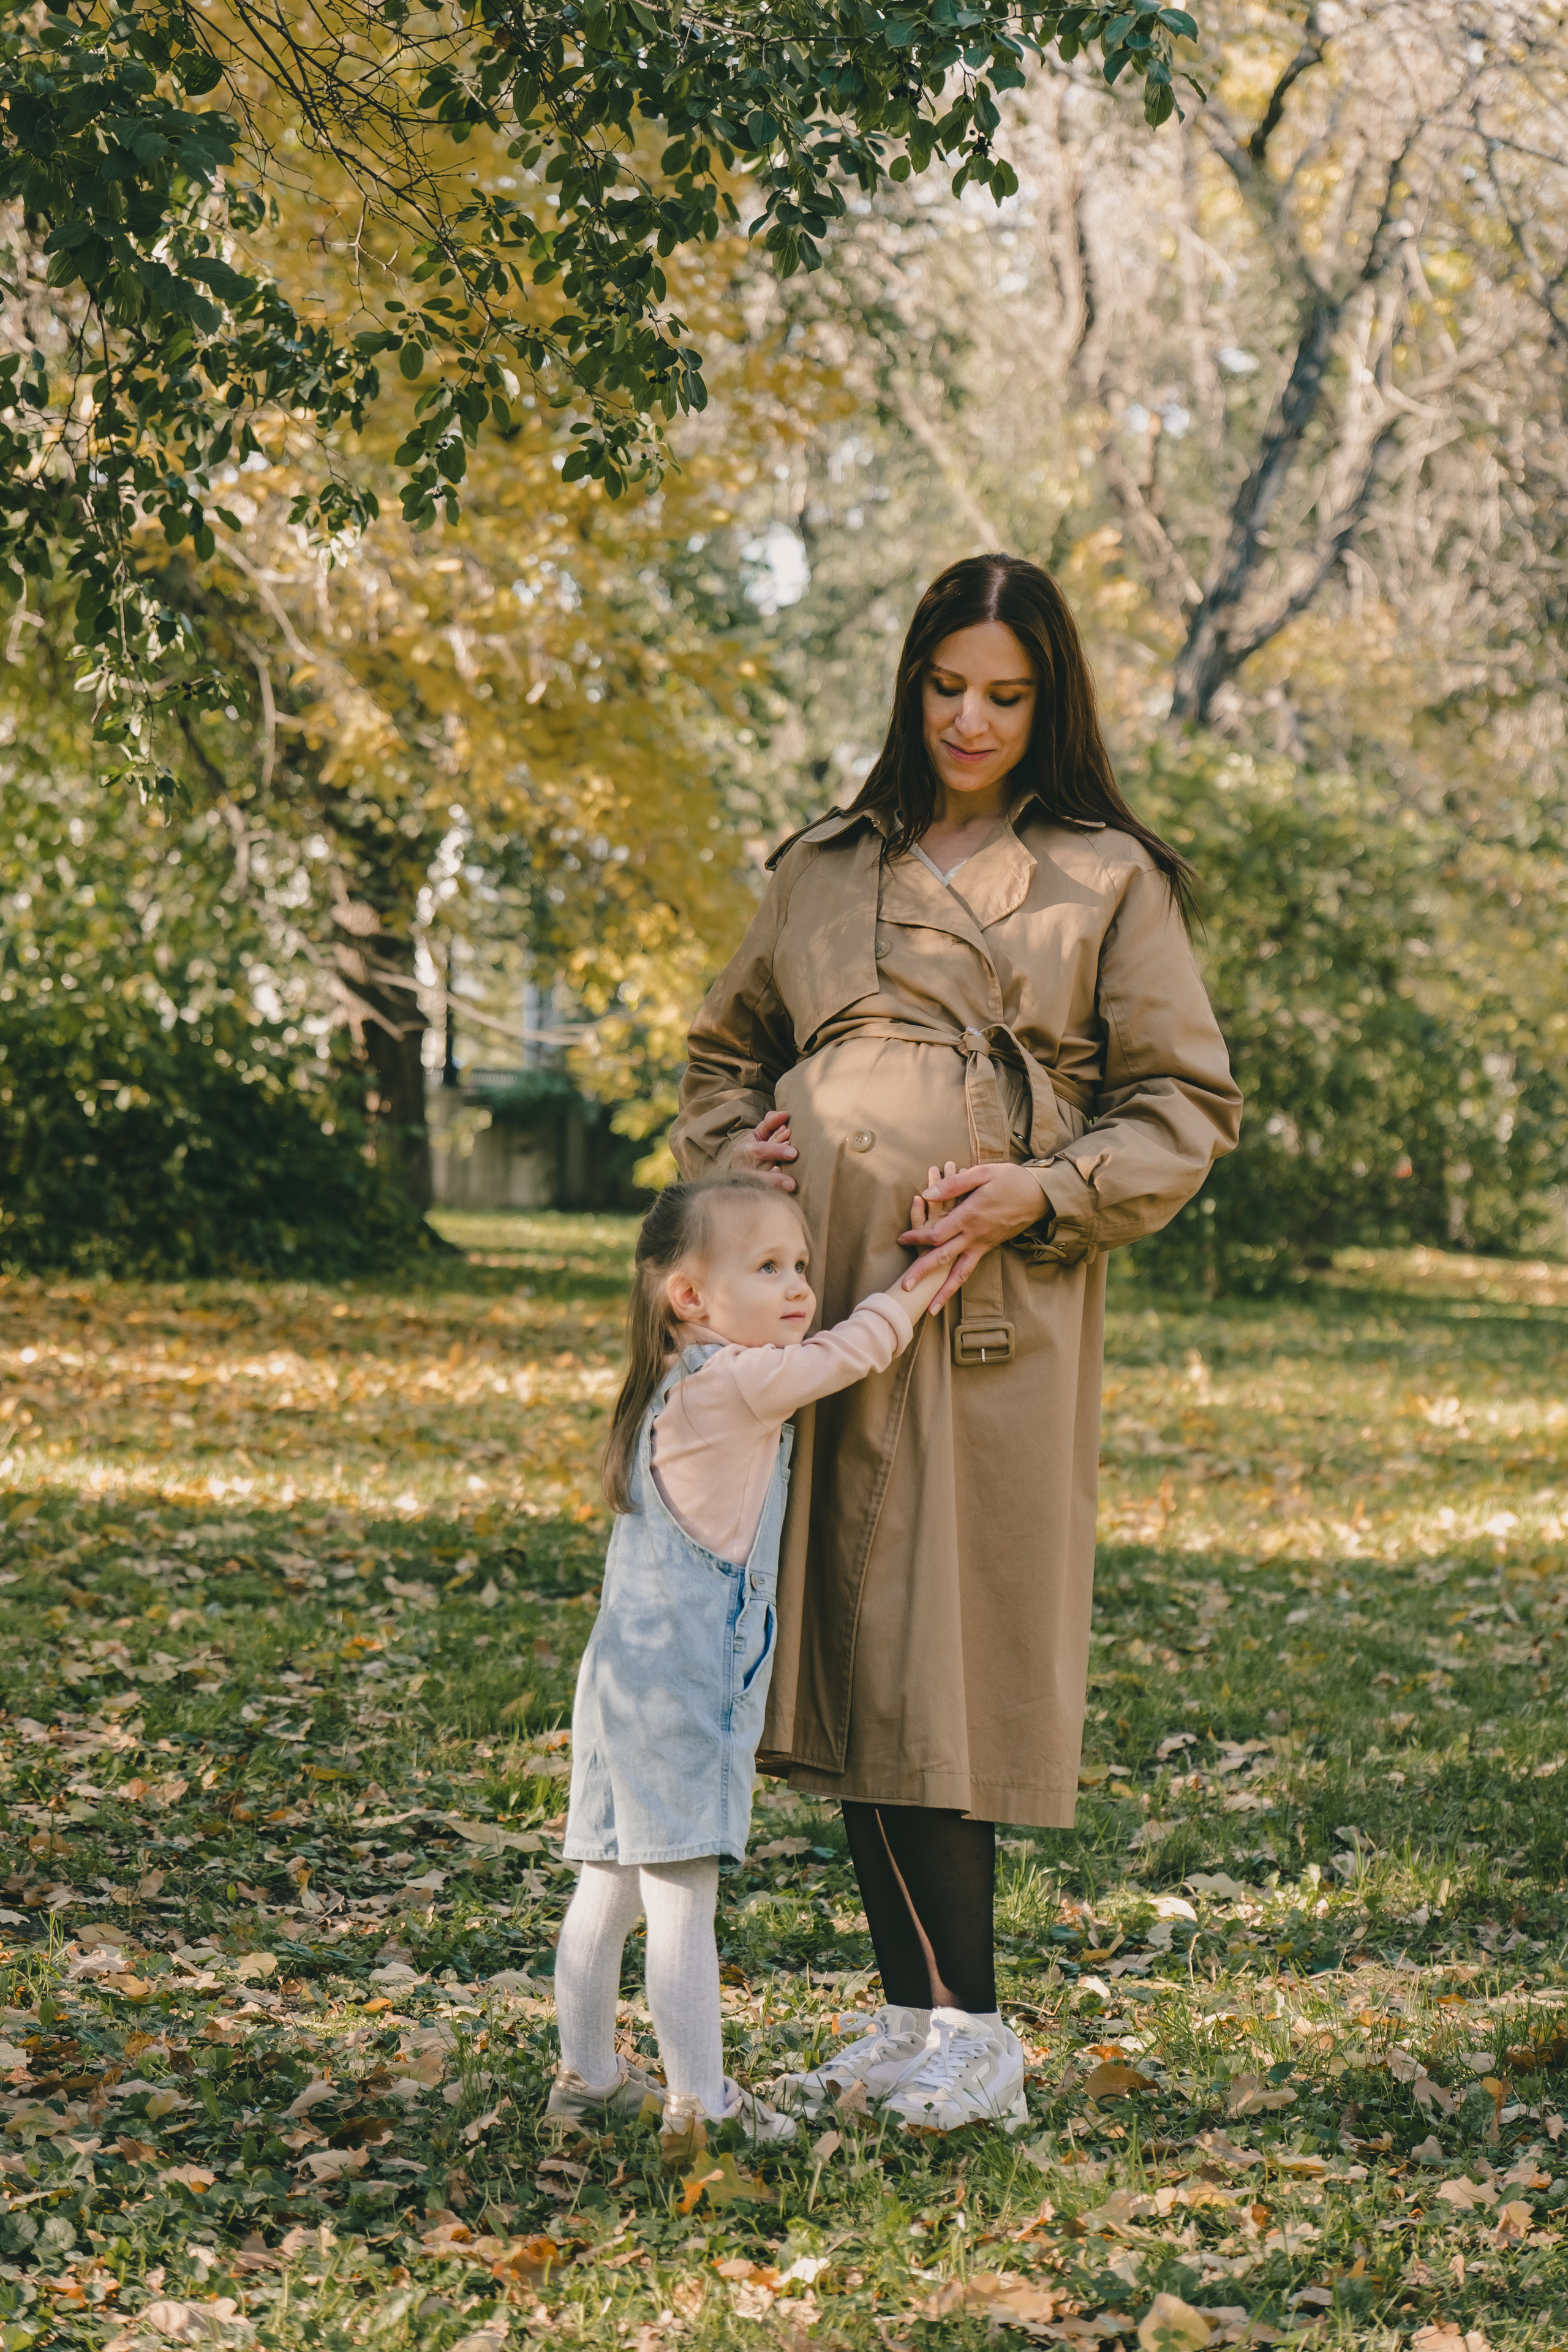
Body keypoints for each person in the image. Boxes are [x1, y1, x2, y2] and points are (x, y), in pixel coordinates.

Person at [670, 553, 1243, 2132]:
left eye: (1004, 693)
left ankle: (975, 2036)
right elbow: (723, 1057)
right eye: (944, 687)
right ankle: (906, 2021)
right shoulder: (823, 864)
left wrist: (1037, 1189)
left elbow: (1182, 1105)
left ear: (1047, 702)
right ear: (908, 683)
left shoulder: (1102, 876)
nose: (969, 720)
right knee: (845, 1647)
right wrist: (741, 1158)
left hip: (977, 1305)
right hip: (814, 1299)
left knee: (938, 1645)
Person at [547, 1171, 957, 2146]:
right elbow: (850, 1352)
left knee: (607, 1884)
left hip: (619, 1682)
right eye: (768, 1267)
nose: (800, 1286)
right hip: (685, 1687)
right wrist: (922, 1282)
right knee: (681, 1896)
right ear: (690, 1296)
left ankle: (587, 2077)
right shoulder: (738, 1383)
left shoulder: (668, 1382)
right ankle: (702, 2106)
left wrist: (749, 1197)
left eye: (801, 1264)